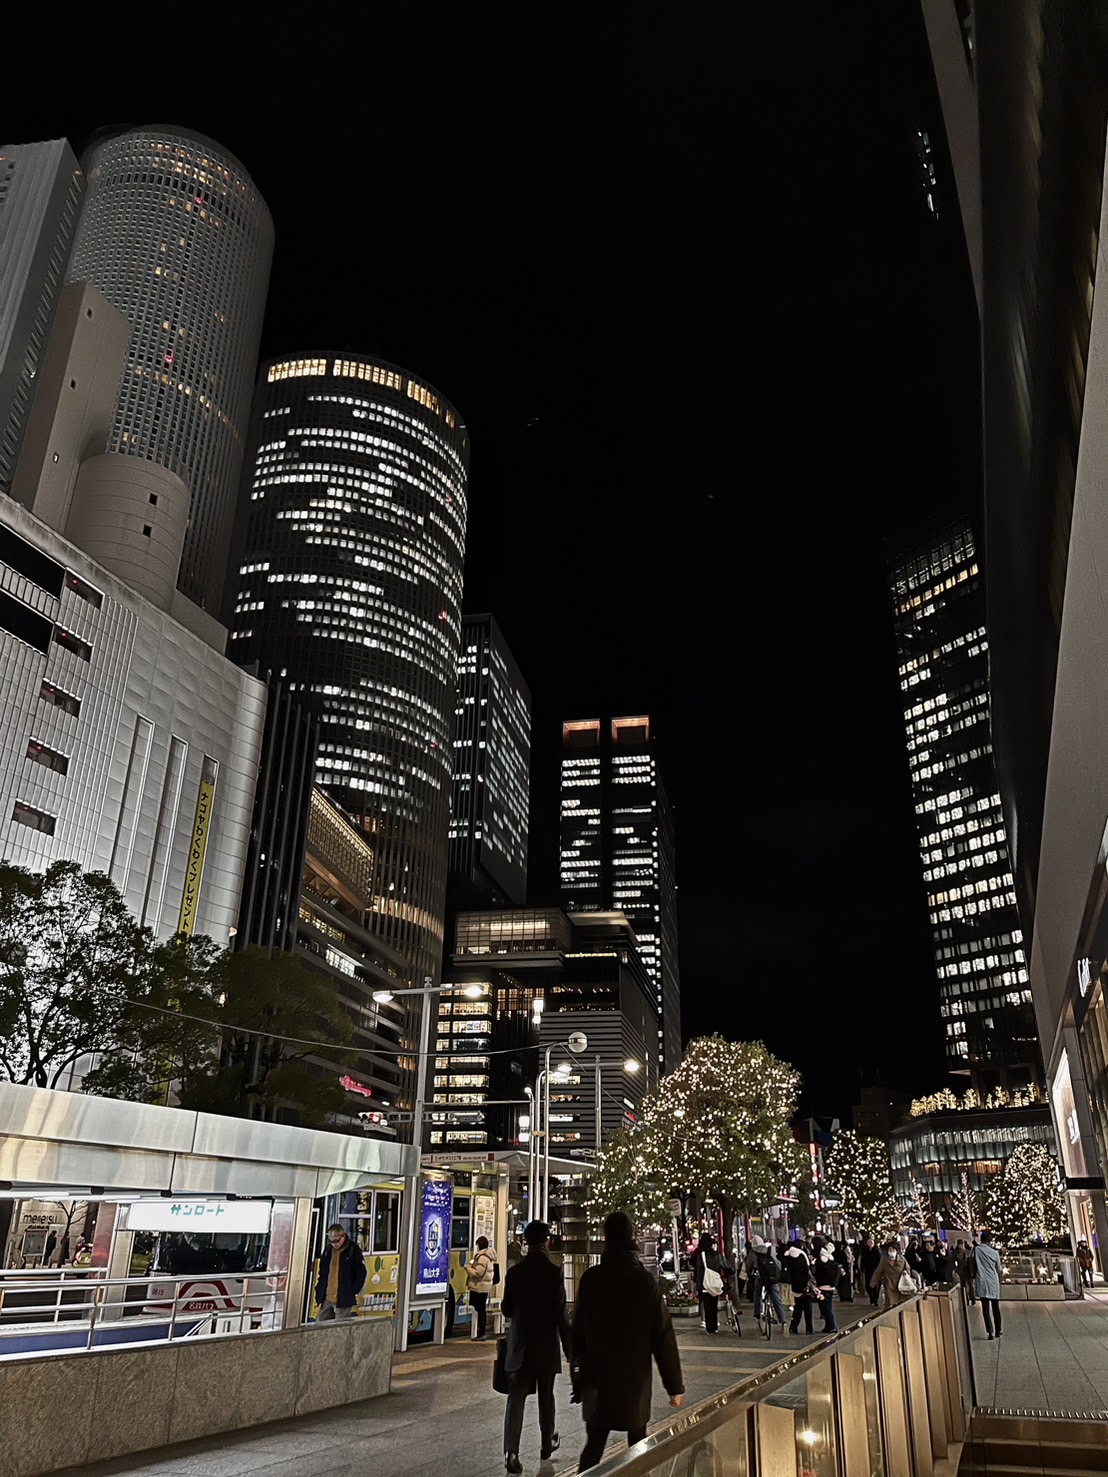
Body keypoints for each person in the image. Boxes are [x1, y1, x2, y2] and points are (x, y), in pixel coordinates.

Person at [572, 1212, 685, 1472]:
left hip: (596, 1378)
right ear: (632, 1238)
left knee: (594, 1445)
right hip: (633, 1379)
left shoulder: (591, 1279)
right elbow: (663, 1335)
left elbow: (576, 1334)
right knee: (637, 1445)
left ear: (605, 1238)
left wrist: (578, 1377)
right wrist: (674, 1385)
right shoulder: (643, 1282)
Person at [501, 1220, 571, 1474]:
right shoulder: (554, 1273)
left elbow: (507, 1309)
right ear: (547, 1242)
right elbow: (561, 1315)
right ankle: (546, 1444)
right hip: (545, 1346)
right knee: (546, 1397)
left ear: (525, 1243)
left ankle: (511, 1453)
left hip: (520, 1346)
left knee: (515, 1399)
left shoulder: (515, 1273)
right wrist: (571, 1352)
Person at [314, 1222, 366, 1319]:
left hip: (343, 1298)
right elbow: (322, 1272)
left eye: (337, 1241)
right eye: (331, 1241)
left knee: (339, 1328)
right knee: (320, 1325)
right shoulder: (328, 1250)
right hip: (327, 1297)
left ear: (343, 1236)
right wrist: (319, 1290)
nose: (334, 1244)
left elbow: (361, 1272)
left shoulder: (353, 1250)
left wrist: (353, 1290)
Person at [693, 1232, 730, 1335]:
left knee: (707, 1306)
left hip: (704, 1284)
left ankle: (709, 1328)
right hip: (715, 1283)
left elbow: (699, 1270)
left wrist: (699, 1285)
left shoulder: (702, 1256)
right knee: (714, 1305)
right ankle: (714, 1326)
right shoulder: (718, 1256)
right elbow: (728, 1267)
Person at [974, 1231, 1003, 1341]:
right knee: (995, 1308)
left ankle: (989, 1331)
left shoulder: (976, 1250)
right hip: (993, 1282)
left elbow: (972, 1263)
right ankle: (998, 1330)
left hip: (982, 1281)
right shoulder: (994, 1253)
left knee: (985, 1309)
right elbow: (998, 1269)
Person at [751, 1236, 787, 1324]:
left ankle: (757, 1312)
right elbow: (777, 1263)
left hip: (760, 1278)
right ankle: (783, 1320)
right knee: (776, 1298)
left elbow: (749, 1266)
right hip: (771, 1278)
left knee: (757, 1293)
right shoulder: (769, 1250)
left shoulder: (752, 1253)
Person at [466, 1234, 495, 1340]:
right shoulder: (488, 1257)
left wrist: (468, 1269)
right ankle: (481, 1333)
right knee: (481, 1309)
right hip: (484, 1287)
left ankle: (481, 1333)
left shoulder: (482, 1258)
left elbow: (478, 1273)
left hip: (479, 1287)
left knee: (480, 1309)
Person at [784, 1240, 815, 1334]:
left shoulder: (788, 1257)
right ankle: (809, 1328)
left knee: (797, 1308)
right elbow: (807, 1271)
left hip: (795, 1285)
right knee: (808, 1309)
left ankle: (793, 1327)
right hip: (804, 1285)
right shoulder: (802, 1256)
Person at [869, 1240, 910, 1308]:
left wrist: (906, 1273)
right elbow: (878, 1271)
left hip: (901, 1286)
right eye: (889, 1250)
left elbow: (907, 1268)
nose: (891, 1252)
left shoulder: (902, 1259)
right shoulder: (884, 1260)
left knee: (901, 1305)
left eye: (893, 1250)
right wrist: (872, 1283)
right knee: (891, 1306)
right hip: (889, 1286)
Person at [811, 1237, 838, 1333]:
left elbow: (819, 1271)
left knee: (826, 1307)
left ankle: (832, 1326)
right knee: (827, 1306)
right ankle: (828, 1325)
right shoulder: (828, 1255)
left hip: (823, 1285)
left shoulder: (821, 1258)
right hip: (830, 1285)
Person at [859, 1234, 882, 1306]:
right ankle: (871, 1298)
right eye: (869, 1242)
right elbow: (863, 1261)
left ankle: (875, 1299)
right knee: (868, 1285)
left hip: (876, 1271)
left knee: (876, 1286)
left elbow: (879, 1261)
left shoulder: (877, 1251)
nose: (870, 1244)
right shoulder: (865, 1251)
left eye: (871, 1242)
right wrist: (862, 1269)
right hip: (868, 1270)